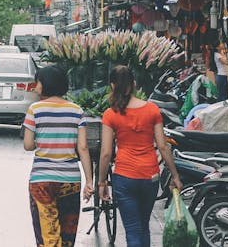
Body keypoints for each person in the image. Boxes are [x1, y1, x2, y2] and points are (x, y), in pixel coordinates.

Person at [99, 65, 182, 247]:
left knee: (133, 230)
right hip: (149, 177)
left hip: (124, 177)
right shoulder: (152, 110)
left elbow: (106, 154)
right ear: (134, 84)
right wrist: (175, 176)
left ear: (113, 86)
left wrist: (102, 182)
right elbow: (163, 146)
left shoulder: (110, 114)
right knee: (144, 227)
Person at [22, 66, 93, 247]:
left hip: (42, 182)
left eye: (37, 82)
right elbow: (83, 148)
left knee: (48, 239)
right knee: (67, 236)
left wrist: (45, 141)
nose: (35, 86)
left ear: (45, 84)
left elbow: (28, 145)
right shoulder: (76, 110)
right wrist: (89, 182)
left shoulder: (35, 110)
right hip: (71, 180)